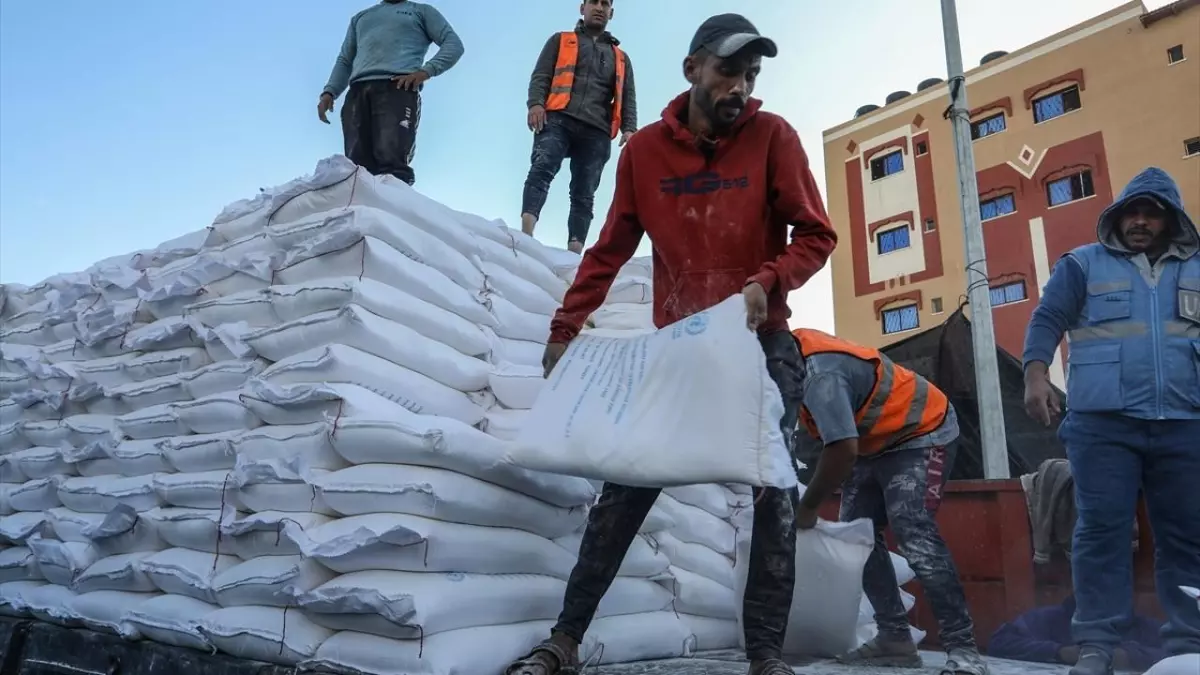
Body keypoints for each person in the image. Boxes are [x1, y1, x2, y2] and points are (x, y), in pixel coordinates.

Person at [503, 13, 837, 675]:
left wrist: (767, 281)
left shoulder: (773, 138)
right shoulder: (645, 153)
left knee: (772, 491)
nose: (739, 86)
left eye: (750, 74)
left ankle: (765, 654)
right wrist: (565, 327)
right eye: (727, 70)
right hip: (680, 346)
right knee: (624, 487)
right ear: (692, 70)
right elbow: (609, 249)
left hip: (760, 342)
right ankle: (564, 640)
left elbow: (816, 235)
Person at [1022, 167, 1200, 675]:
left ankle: (1189, 643)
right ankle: (1097, 643)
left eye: (1152, 213)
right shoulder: (1083, 263)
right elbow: (1046, 319)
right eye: (1132, 213)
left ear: (1171, 219)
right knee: (1101, 531)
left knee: (1187, 534)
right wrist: (1035, 377)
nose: (1140, 221)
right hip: (1104, 424)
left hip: (1186, 421)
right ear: (1118, 216)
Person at [789, 328, 988, 675]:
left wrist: (807, 507)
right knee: (858, 537)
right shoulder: (783, 367)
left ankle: (964, 649)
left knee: (913, 531)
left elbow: (841, 449)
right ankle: (894, 639)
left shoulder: (819, 376)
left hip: (921, 430)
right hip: (873, 441)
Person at [520, 0, 638, 254]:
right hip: (558, 118)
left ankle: (574, 251)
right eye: (593, 2)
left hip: (596, 129)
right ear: (582, 8)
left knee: (584, 192)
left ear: (611, 13)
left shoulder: (620, 57)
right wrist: (535, 104)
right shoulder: (560, 40)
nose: (599, 8)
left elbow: (628, 96)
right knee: (542, 167)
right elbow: (541, 75)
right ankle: (526, 233)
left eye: (605, 4)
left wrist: (630, 128)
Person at [317, 0, 464, 186]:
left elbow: (454, 44)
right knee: (356, 166)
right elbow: (346, 60)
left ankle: (392, 209)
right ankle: (361, 211)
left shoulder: (421, 11)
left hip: (397, 88)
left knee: (392, 159)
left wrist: (425, 72)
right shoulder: (361, 18)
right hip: (357, 91)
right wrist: (329, 92)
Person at [989, 595, 1167, 671]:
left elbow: (1182, 653)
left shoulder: (1140, 625)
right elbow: (1000, 642)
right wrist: (1060, 652)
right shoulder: (1050, 619)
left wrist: (1129, 656)